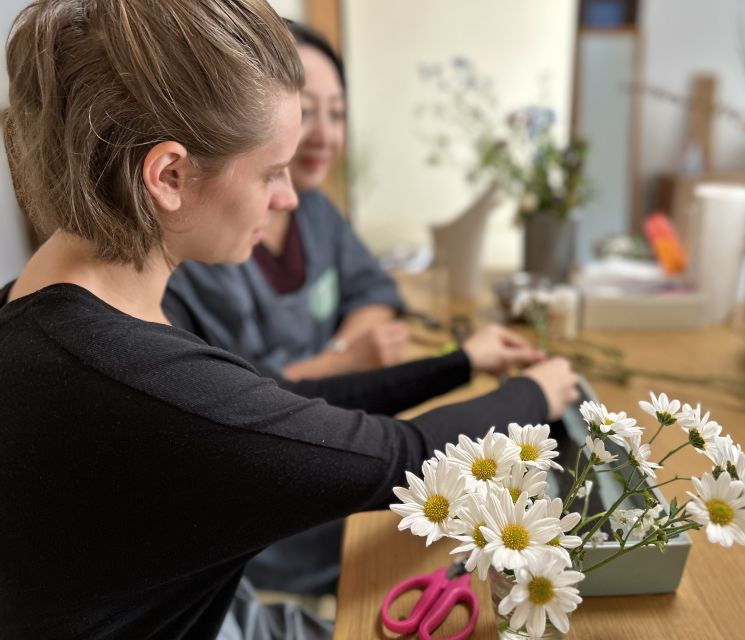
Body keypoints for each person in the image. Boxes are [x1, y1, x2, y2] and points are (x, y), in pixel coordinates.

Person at [0, 2, 580, 639]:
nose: (289, 198)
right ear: (169, 175)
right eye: (272, 172)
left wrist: (458, 365)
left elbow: (267, 406)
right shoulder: (127, 373)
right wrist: (538, 393)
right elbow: (401, 461)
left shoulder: (43, 313)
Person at [165, 22, 408, 381]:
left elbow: (374, 292)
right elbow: (231, 390)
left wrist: (339, 356)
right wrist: (339, 364)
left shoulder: (317, 211)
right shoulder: (206, 237)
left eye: (337, 114)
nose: (325, 136)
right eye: (305, 112)